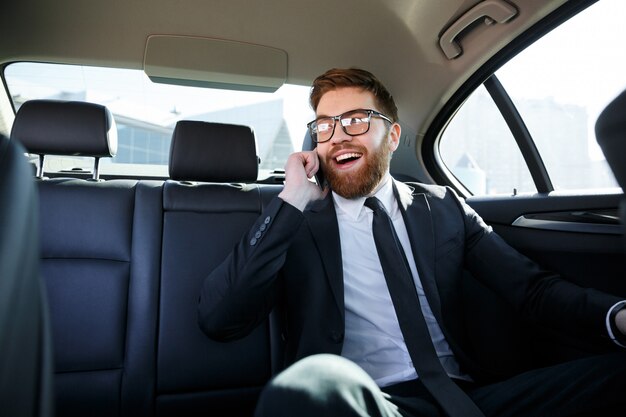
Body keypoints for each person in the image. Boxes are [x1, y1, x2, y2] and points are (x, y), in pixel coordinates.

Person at [198, 68, 626, 417]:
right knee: (308, 393)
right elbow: (220, 317)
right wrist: (291, 199)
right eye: (325, 126)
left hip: (469, 398)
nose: (339, 135)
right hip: (372, 404)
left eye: (357, 120)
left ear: (394, 136)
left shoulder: (442, 207)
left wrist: (619, 316)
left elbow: (531, 289)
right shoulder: (295, 220)